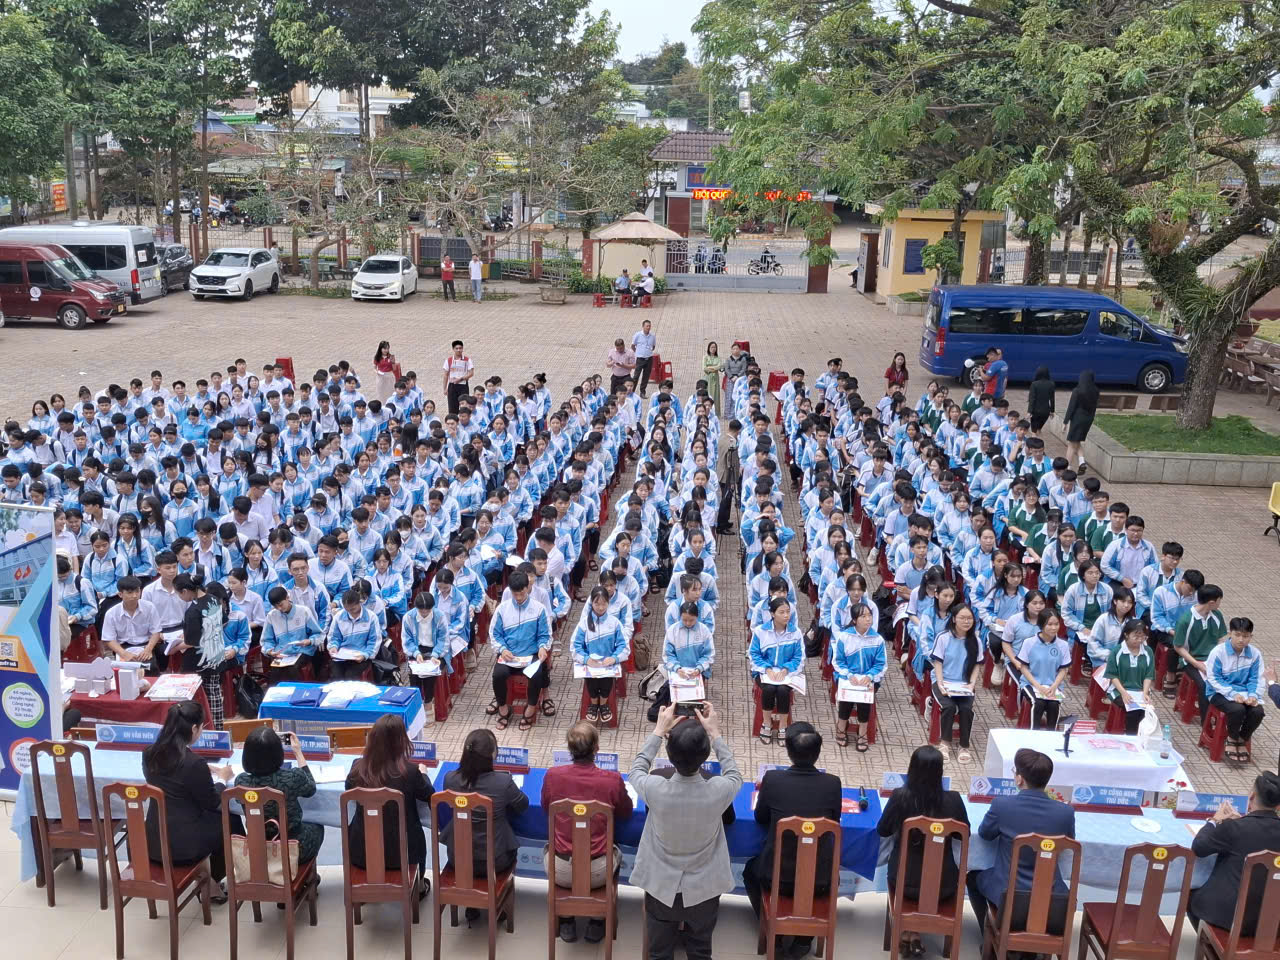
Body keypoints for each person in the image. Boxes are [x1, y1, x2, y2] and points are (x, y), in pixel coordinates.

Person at [630, 703, 743, 960]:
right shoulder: (718, 789)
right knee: (700, 952)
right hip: (705, 888)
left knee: (659, 953)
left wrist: (658, 731)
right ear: (705, 756)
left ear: (669, 756)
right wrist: (715, 733)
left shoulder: (655, 788)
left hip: (661, 886)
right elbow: (734, 774)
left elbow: (636, 769)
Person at [745, 722, 842, 959]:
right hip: (821, 879)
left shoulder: (773, 779)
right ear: (818, 753)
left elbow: (760, 817)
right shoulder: (832, 784)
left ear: (788, 752)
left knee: (750, 871)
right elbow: (833, 820)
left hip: (774, 877)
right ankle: (802, 940)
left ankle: (774, 934)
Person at [541, 722, 634, 943]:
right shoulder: (612, 780)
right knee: (616, 851)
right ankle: (597, 921)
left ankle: (566, 920)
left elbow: (546, 807)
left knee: (547, 848)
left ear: (569, 749)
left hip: (559, 870)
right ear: (596, 748)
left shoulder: (552, 776)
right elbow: (626, 812)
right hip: (599, 872)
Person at [967, 748, 1076, 931]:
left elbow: (985, 834)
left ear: (1019, 779)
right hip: (1052, 896)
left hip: (1008, 894)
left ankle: (990, 934)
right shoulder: (1065, 812)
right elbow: (1068, 843)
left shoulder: (1002, 805)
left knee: (972, 878)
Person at [877, 745, 970, 956]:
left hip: (904, 884)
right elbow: (962, 834)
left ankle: (909, 933)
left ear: (912, 768)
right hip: (944, 887)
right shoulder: (954, 800)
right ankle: (913, 935)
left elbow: (883, 830)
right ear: (940, 772)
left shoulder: (900, 797)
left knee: (906, 870)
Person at [141, 700, 236, 900]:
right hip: (184, 847)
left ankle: (211, 881)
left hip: (153, 841)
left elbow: (173, 774)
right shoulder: (193, 764)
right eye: (202, 727)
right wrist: (222, 778)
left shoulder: (149, 754)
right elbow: (212, 801)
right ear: (194, 728)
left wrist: (203, 768)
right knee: (231, 820)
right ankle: (213, 884)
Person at [441, 729, 529, 921]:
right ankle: (498, 904)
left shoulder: (450, 779)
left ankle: (472, 905)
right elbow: (523, 805)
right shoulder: (503, 782)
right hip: (496, 861)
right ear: (492, 754)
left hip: (458, 860)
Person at [345, 715, 435, 888]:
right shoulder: (410, 772)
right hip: (404, 856)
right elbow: (429, 795)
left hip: (362, 855)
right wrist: (423, 774)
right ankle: (419, 885)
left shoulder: (357, 768)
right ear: (401, 741)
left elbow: (349, 789)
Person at [1189, 772, 1280, 935]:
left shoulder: (1234, 828)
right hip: (1273, 923)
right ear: (1278, 806)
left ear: (1251, 797)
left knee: (1191, 893)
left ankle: (1210, 942)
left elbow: (1199, 847)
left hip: (1227, 918)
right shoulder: (1237, 826)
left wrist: (1214, 821)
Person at [234, 726, 324, 866]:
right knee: (317, 825)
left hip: (258, 848)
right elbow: (311, 788)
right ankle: (307, 874)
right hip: (293, 847)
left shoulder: (241, 781)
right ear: (278, 753)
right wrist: (298, 752)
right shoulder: (292, 777)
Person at [1204, 617, 1266, 761]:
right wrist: (1232, 694)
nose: (1241, 640)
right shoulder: (1218, 652)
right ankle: (1231, 738)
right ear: (1230, 633)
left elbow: (1256, 679)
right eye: (1237, 635)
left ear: (1251, 636)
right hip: (1218, 692)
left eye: (1245, 636)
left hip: (1245, 693)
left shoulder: (1255, 654)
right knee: (1238, 709)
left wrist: (1253, 695)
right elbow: (1213, 678)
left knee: (1258, 711)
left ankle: (1242, 738)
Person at [929, 605, 984, 762]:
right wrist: (940, 683)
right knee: (949, 707)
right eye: (962, 618)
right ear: (954, 619)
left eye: (970, 618)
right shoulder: (943, 637)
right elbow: (938, 663)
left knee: (966, 709)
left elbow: (977, 665)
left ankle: (964, 746)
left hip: (964, 685)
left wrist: (972, 684)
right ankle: (944, 744)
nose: (966, 621)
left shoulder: (976, 641)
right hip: (943, 681)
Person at [749, 596, 804, 744]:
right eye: (782, 612)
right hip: (764, 673)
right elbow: (754, 654)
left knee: (782, 690)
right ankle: (767, 723)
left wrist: (786, 670)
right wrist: (767, 669)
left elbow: (799, 657)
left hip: (787, 673)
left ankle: (783, 725)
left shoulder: (796, 633)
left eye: (788, 612)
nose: (786, 615)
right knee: (768, 689)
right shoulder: (761, 631)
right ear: (772, 614)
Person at [1104, 618, 1155, 734]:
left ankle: (1139, 736)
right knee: (1133, 710)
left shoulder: (1148, 652)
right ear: (1126, 635)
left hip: (1140, 691)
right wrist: (1124, 693)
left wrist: (1145, 693)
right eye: (1136, 637)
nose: (1139, 640)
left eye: (1143, 637)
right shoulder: (1117, 651)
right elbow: (1112, 675)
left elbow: (1148, 675)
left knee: (1145, 710)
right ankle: (1131, 736)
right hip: (1118, 690)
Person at [1063, 369, 1099, 472]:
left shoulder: (1077, 390)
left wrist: (1065, 422)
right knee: (1077, 440)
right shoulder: (1096, 391)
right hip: (1088, 419)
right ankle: (1082, 461)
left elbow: (1071, 407)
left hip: (1077, 418)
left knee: (1071, 443)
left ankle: (1067, 467)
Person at [442, 339, 474, 415]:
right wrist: (445, 388)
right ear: (453, 349)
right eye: (456, 348)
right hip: (452, 386)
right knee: (452, 407)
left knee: (465, 406)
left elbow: (471, 373)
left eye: (460, 348)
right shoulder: (449, 360)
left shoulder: (467, 360)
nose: (458, 350)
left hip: (463, 385)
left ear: (462, 349)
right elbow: (445, 375)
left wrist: (461, 379)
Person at [1027, 366, 1056, 436]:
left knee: (1034, 431)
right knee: (1039, 429)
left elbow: (1032, 399)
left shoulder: (1034, 384)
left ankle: (1034, 441)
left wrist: (1029, 411)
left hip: (1035, 411)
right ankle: (1038, 439)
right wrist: (1052, 411)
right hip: (1046, 412)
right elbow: (1052, 399)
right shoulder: (1051, 384)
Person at [632, 319, 656, 398]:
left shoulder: (652, 336)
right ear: (643, 326)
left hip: (649, 359)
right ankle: (632, 391)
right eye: (647, 326)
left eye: (649, 326)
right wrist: (638, 352)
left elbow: (653, 346)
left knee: (646, 376)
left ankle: (642, 392)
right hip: (640, 359)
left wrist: (648, 352)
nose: (648, 327)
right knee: (636, 376)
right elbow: (633, 345)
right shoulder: (638, 335)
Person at [702, 342, 724, 414]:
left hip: (715, 378)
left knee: (715, 394)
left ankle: (716, 412)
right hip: (707, 377)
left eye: (714, 347)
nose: (713, 349)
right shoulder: (705, 357)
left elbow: (719, 367)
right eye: (711, 347)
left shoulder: (718, 358)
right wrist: (714, 368)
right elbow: (704, 368)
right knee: (707, 393)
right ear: (708, 348)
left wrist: (710, 367)